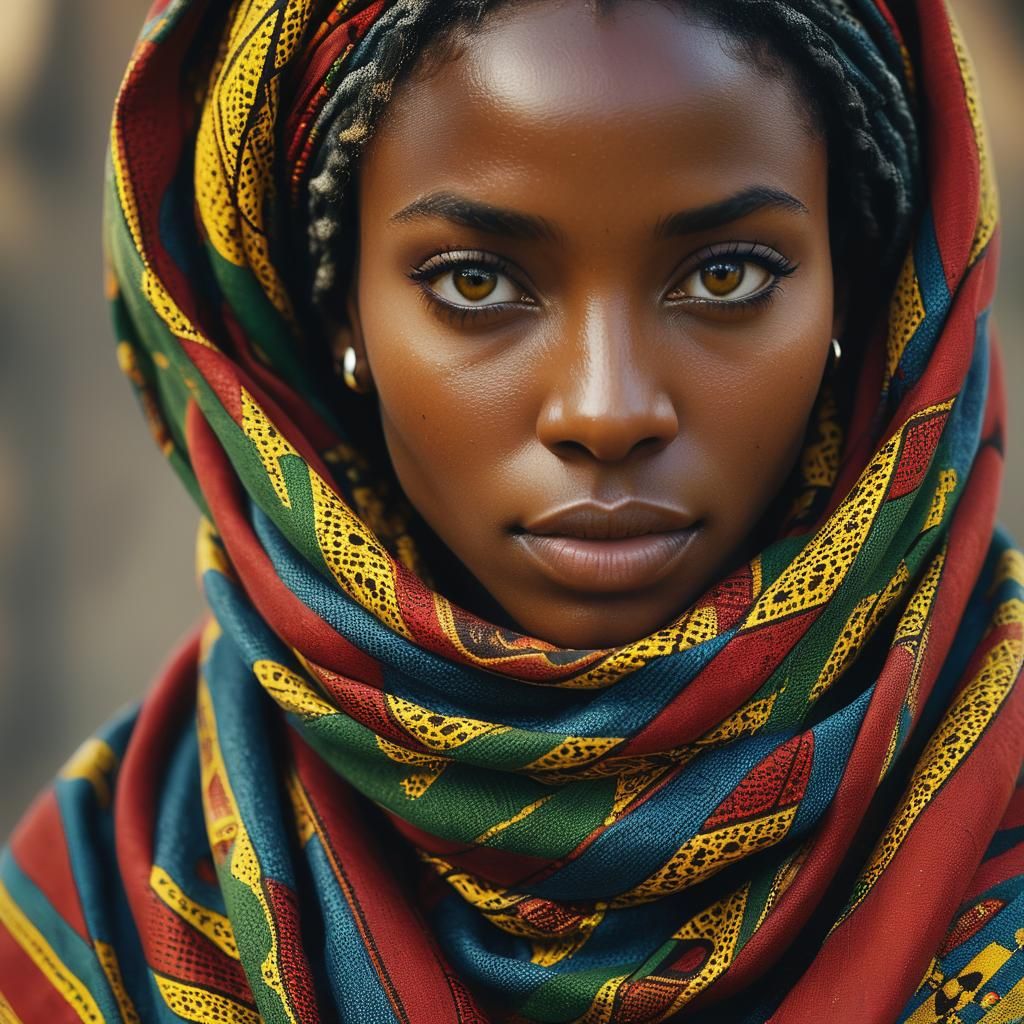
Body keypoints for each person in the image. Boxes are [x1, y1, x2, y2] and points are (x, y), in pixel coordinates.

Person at [0, 0, 1021, 1020]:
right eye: (477, 282)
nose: (607, 409)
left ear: (853, 291)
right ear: (336, 304)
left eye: (726, 275)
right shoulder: (109, 912)